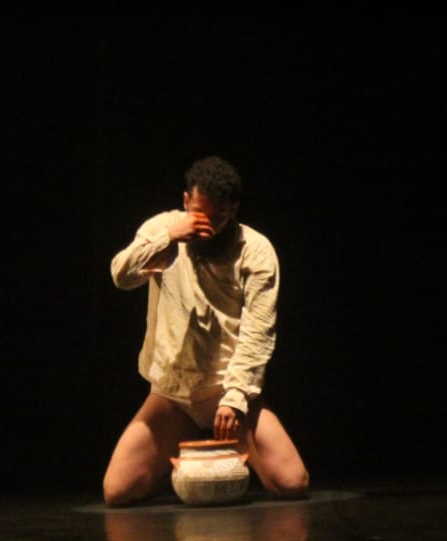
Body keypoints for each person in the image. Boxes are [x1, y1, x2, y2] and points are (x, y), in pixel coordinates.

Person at [102, 155, 310, 507]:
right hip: (174, 395)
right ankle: (180, 460)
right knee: (117, 490)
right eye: (200, 214)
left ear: (233, 209)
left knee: (291, 482)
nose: (208, 226)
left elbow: (258, 332)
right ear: (186, 201)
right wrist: (169, 238)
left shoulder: (255, 250)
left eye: (218, 217)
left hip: (225, 390)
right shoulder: (163, 228)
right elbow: (121, 275)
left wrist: (236, 398)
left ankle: (226, 445)